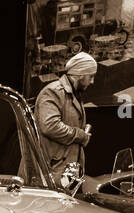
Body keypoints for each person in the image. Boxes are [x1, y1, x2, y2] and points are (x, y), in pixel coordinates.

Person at [35, 51, 97, 184]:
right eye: (90, 76)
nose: (92, 81)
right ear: (80, 75)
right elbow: (50, 126)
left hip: (64, 171)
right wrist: (80, 135)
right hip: (50, 172)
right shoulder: (53, 91)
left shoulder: (73, 94)